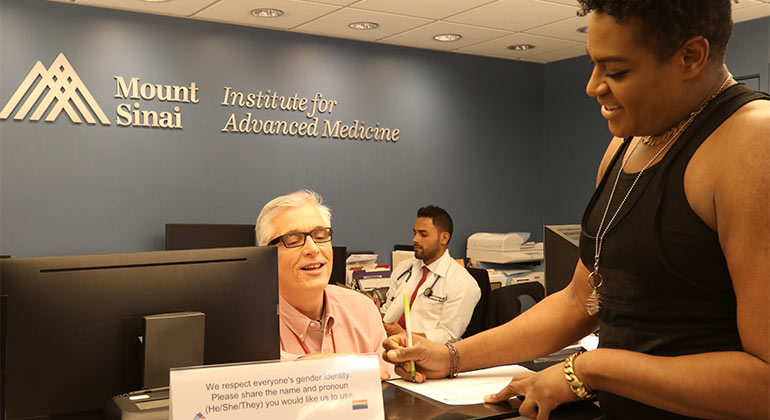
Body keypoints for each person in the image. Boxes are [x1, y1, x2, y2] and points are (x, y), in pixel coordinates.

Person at [383, 1, 769, 419]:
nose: (593, 86)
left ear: (690, 57)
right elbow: (579, 301)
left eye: (616, 71)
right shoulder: (625, 146)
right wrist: (450, 355)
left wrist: (588, 368)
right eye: (593, 65)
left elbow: (764, 380)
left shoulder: (752, 142)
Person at [255, 189, 392, 380]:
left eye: (320, 237)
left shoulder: (363, 310)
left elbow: (388, 385)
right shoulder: (250, 324)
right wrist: (339, 368)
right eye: (293, 241)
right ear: (267, 256)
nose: (312, 249)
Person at [380, 205, 481, 343]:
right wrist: (372, 310)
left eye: (423, 234)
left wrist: (404, 336)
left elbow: (448, 335)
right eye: (414, 233)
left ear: (444, 238)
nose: (415, 239)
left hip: (429, 356)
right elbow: (387, 311)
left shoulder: (463, 283)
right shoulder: (404, 269)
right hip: (389, 346)